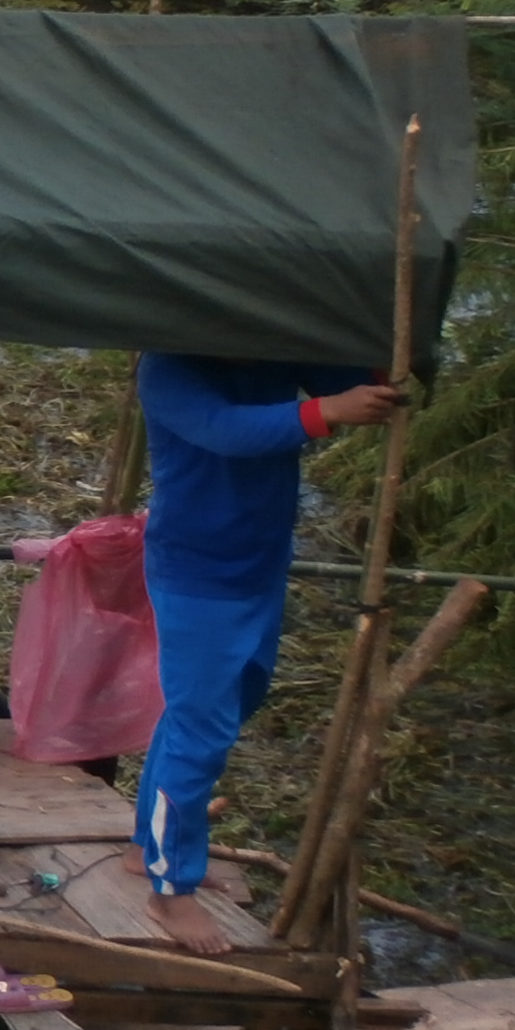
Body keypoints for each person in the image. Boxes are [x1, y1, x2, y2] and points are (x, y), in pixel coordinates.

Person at [133, 353, 404, 896]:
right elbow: (226, 430)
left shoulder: (266, 346)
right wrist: (326, 411)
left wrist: (380, 365)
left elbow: (353, 382)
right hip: (197, 572)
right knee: (200, 732)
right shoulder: (165, 363)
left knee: (227, 703)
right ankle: (171, 888)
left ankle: (148, 846)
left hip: (260, 560)